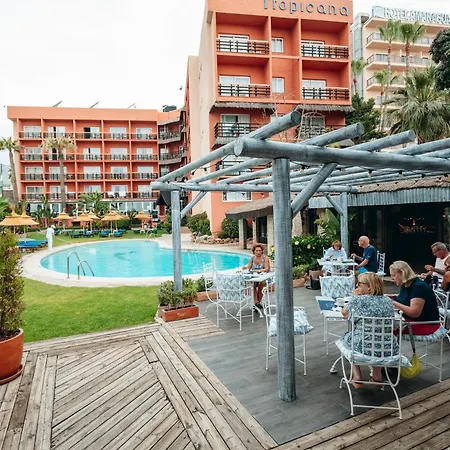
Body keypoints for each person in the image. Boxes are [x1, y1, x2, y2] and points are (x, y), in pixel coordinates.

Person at [340, 272, 398, 387]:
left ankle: (357, 377)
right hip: (387, 347)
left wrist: (354, 297)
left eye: (359, 284)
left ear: (369, 287)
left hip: (363, 346)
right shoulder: (387, 301)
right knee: (377, 338)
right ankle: (377, 377)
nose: (357, 286)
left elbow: (344, 313)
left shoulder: (359, 300)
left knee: (347, 338)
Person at [389, 260, 440, 336]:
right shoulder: (406, 284)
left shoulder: (418, 287)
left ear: (403, 273)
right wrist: (393, 297)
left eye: (394, 275)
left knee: (387, 328)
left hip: (426, 325)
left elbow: (414, 313)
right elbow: (406, 299)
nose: (392, 278)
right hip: (412, 321)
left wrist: (393, 302)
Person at [244, 243, 270, 312]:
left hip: (264, 277)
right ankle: (256, 303)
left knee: (262, 283)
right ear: (254, 251)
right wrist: (245, 268)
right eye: (257, 250)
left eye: (260, 250)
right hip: (255, 277)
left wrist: (258, 271)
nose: (258, 252)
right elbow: (248, 268)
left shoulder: (265, 258)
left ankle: (257, 302)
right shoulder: (252, 258)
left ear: (262, 251)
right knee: (253, 284)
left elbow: (267, 269)